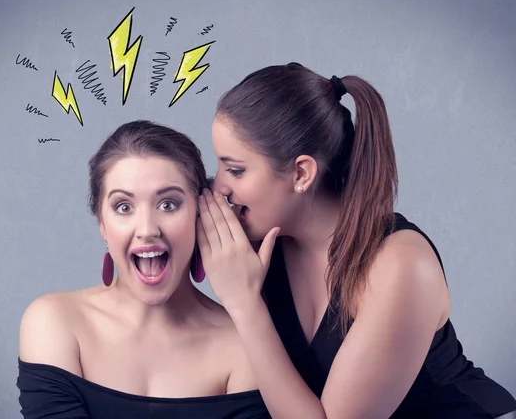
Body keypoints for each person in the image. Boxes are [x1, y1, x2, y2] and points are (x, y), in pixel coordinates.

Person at [197, 63, 516, 418]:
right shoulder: (262, 246)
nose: (219, 187)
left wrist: (244, 303)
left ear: (301, 173)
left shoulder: (401, 266)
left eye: (236, 170)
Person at [17, 121, 270, 419]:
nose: (147, 230)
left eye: (168, 204)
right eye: (123, 207)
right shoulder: (53, 323)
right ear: (102, 223)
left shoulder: (244, 344)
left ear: (202, 214)